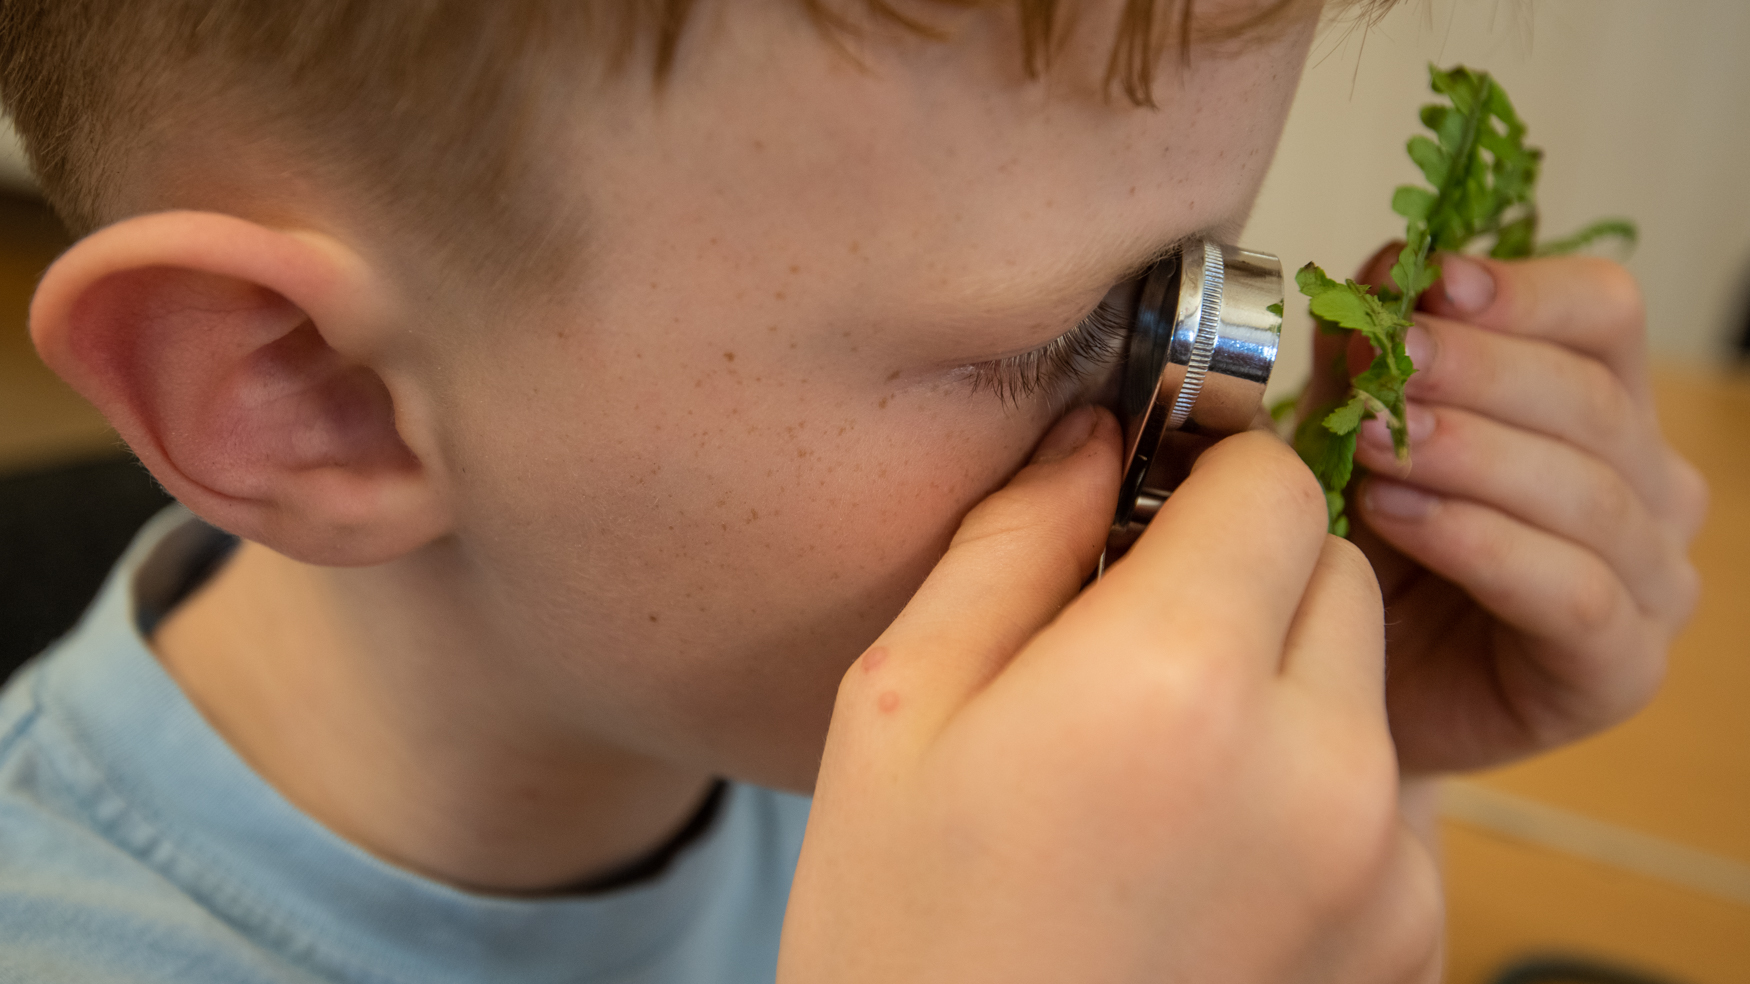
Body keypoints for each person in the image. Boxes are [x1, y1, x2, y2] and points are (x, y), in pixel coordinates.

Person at [0, 0, 1707, 980]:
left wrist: (1353, 756)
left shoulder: (776, 691)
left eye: (1204, 293)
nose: (1217, 433)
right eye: (1063, 341)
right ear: (318, 401)